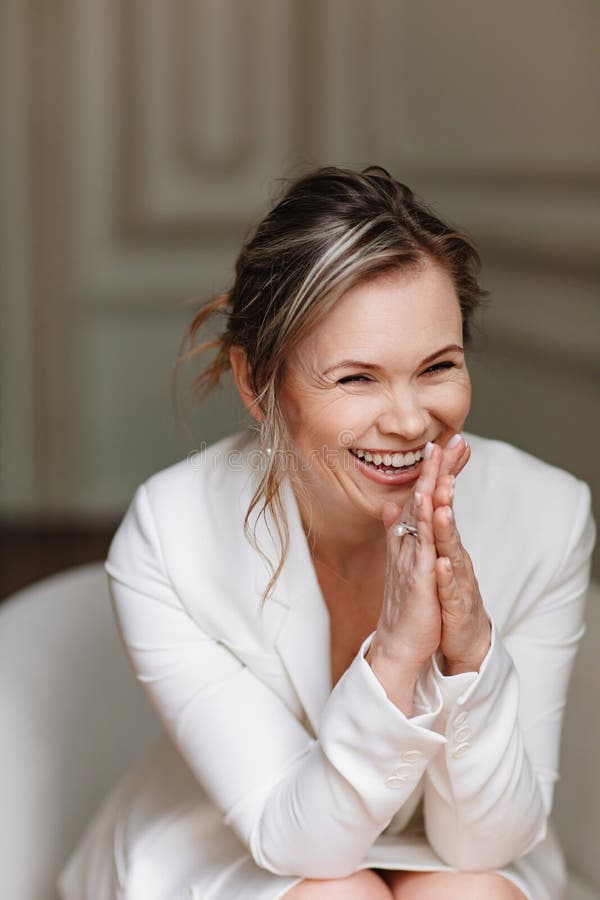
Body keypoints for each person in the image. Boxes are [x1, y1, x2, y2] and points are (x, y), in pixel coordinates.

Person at [58, 166, 595, 900]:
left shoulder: (548, 515)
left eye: (438, 366)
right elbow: (297, 842)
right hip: (246, 839)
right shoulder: (171, 535)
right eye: (355, 379)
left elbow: (487, 841)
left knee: (471, 890)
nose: (409, 420)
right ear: (255, 383)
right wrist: (400, 653)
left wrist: (468, 653)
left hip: (461, 841)